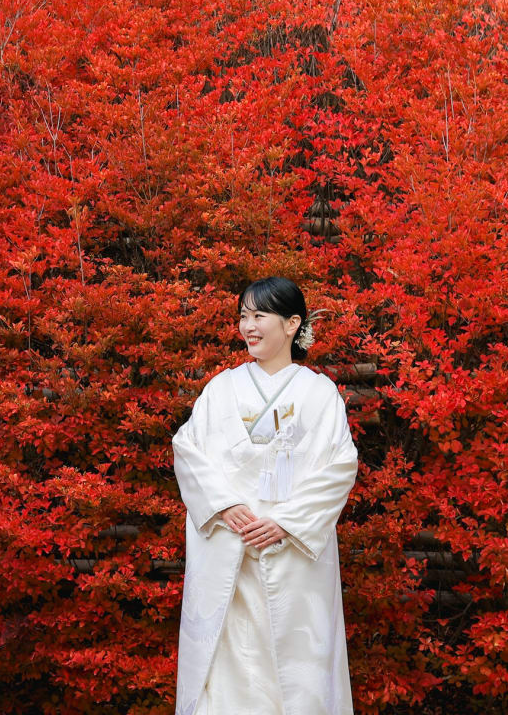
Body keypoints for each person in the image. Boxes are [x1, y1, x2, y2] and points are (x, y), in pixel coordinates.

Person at [172, 276, 357, 715]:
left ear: (293, 324)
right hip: (230, 543)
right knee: (225, 661)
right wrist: (224, 504)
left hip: (292, 550)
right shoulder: (221, 389)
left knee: (298, 669)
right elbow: (187, 449)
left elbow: (341, 465)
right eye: (243, 316)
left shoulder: (319, 392)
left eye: (259, 316)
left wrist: (287, 521)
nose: (248, 327)